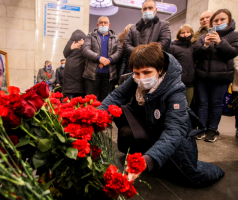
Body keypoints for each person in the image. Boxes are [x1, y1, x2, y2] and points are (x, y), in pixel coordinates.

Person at [99, 42, 224, 188]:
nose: (141, 78)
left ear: (160, 69)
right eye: (137, 73)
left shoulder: (176, 90)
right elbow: (117, 95)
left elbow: (175, 131)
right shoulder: (136, 79)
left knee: (187, 175)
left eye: (147, 72)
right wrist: (97, 116)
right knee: (127, 131)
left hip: (174, 138)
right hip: (153, 126)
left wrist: (147, 160)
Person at [194, 9, 238, 142]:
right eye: (216, 20)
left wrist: (220, 42)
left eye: (222, 19)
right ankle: (201, 128)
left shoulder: (234, 36)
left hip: (221, 78)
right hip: (202, 77)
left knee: (216, 104)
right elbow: (195, 54)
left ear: (229, 20)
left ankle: (212, 130)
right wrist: (205, 45)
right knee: (202, 103)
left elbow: (232, 53)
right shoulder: (203, 36)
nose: (219, 22)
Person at [82, 16, 122, 102]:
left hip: (109, 76)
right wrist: (98, 58)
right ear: (97, 24)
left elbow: (119, 52)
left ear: (109, 25)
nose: (103, 24)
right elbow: (85, 50)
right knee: (89, 102)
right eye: (101, 22)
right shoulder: (90, 36)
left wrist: (110, 60)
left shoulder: (115, 38)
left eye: (105, 22)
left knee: (105, 101)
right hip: (92, 75)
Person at [168, 24, 195, 107]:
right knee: (176, 106)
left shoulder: (193, 47)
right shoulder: (173, 47)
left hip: (190, 83)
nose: (185, 35)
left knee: (187, 106)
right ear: (178, 35)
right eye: (183, 33)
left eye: (188, 32)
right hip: (177, 82)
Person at [63, 30, 87, 99]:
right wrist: (85, 44)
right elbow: (90, 54)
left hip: (69, 72)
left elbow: (65, 53)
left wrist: (71, 48)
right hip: (81, 72)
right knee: (80, 102)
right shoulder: (85, 44)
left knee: (70, 101)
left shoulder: (71, 42)